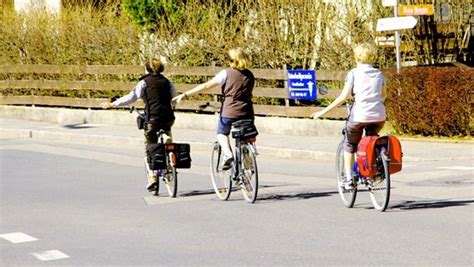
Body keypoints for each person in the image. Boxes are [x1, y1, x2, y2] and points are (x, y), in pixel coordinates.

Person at [311, 42, 386, 189]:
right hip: (379, 116)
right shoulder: (379, 74)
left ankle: (349, 179)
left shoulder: (353, 74)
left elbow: (343, 97)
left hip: (359, 116)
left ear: (356, 58)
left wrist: (322, 112)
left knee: (350, 143)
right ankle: (374, 170)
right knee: (371, 138)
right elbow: (384, 96)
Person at [101, 58, 177, 191]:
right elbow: (174, 98)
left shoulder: (144, 83)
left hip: (152, 119)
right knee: (167, 130)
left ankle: (153, 176)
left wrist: (113, 104)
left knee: (149, 147)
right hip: (168, 117)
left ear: (147, 69)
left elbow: (131, 97)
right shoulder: (168, 82)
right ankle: (168, 147)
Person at [173, 47, 255, 170]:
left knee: (221, 132)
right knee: (247, 136)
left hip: (230, 112)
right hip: (247, 112)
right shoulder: (250, 75)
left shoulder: (226, 73)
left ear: (231, 61)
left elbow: (206, 86)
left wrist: (185, 94)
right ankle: (249, 165)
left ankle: (227, 153)